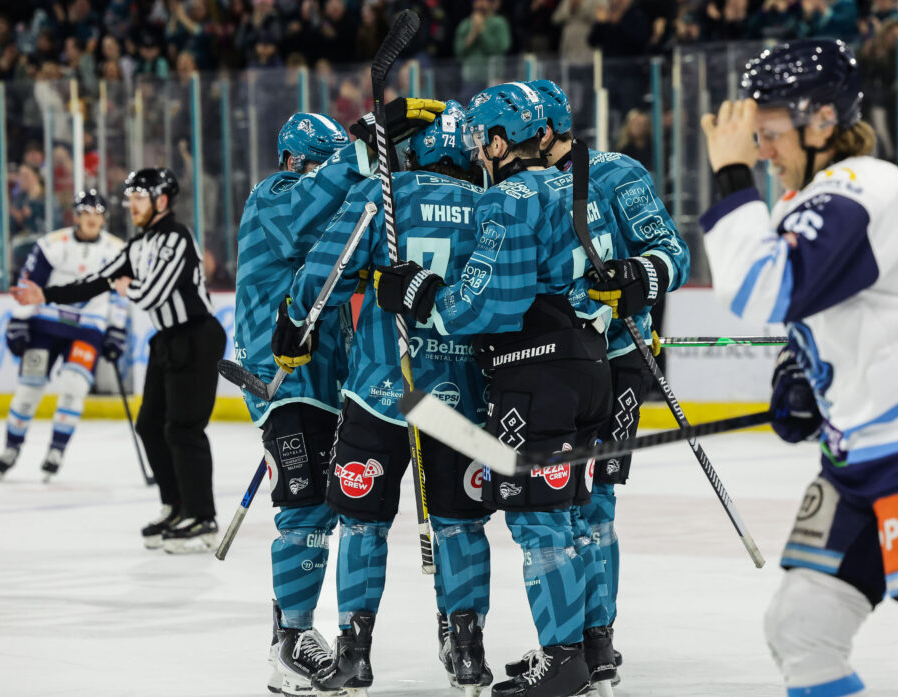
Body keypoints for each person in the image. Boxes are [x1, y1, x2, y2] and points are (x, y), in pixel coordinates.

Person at [699, 38, 898, 697]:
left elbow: (765, 288)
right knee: (800, 626)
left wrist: (729, 181)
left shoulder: (864, 185)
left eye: (770, 132)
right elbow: (821, 311)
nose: (759, 149)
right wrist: (799, 373)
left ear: (822, 121)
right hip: (860, 453)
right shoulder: (805, 202)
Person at [371, 82, 615, 697]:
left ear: (505, 140)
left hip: (536, 375)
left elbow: (489, 307)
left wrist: (421, 294)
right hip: (589, 365)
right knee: (573, 517)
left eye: (484, 137)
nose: (478, 149)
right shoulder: (576, 183)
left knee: (540, 524)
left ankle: (561, 663)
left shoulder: (509, 197)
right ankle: (589, 651)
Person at [275, 101, 495, 696]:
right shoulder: (489, 204)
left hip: (380, 391)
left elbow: (325, 274)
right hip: (461, 401)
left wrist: (295, 320)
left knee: (360, 525)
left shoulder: (384, 194)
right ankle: (467, 649)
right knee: (461, 525)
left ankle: (354, 652)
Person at [525, 77, 691, 692]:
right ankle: (568, 641)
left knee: (594, 506)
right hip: (548, 367)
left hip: (617, 362)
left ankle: (598, 642)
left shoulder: (617, 173)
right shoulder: (516, 182)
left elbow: (673, 253)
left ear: (543, 131)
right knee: (557, 507)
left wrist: (633, 274)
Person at [11, 168, 227, 555]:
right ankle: (176, 507)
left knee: (183, 429)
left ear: (161, 201)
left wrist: (125, 286)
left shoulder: (176, 237)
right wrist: (43, 295)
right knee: (149, 426)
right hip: (166, 339)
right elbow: (95, 281)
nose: (131, 205)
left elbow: (151, 295)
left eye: (139, 198)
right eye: (130, 198)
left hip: (197, 336)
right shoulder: (138, 244)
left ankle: (203, 518)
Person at [234, 111, 362, 696]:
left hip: (326, 381)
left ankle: (288, 626)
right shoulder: (273, 197)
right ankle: (290, 641)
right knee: (305, 509)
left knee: (322, 509)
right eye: (321, 163)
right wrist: (360, 149)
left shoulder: (319, 201)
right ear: (293, 161)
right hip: (282, 379)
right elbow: (310, 210)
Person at [0, 190, 128, 482]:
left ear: (104, 218)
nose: (92, 219)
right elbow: (28, 284)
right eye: (86, 214)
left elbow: (120, 296)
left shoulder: (118, 250)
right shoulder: (52, 244)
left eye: (98, 214)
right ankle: (11, 448)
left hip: (88, 328)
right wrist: (19, 321)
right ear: (76, 216)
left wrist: (116, 328)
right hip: (45, 324)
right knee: (29, 390)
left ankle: (56, 450)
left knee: (74, 387)